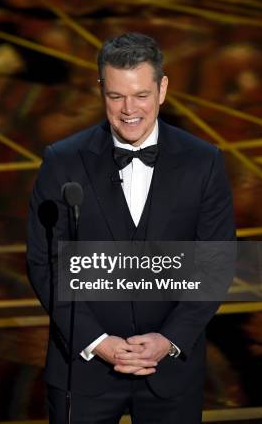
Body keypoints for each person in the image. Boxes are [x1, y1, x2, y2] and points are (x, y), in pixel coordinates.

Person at [27, 33, 235, 423]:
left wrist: (169, 340)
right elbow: (46, 262)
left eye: (140, 95)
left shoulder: (203, 162)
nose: (129, 110)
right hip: (83, 368)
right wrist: (96, 341)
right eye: (116, 96)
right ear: (101, 91)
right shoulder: (62, 161)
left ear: (162, 89)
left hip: (171, 374)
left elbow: (216, 263)